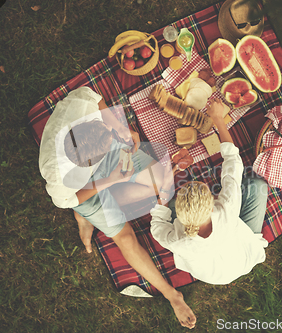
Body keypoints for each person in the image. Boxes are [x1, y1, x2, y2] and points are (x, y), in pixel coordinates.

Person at [38, 86, 196, 329]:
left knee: (159, 183)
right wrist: (109, 180)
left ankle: (102, 206)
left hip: (104, 156)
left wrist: (119, 129)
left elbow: (94, 95)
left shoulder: (83, 112)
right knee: (125, 237)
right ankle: (171, 294)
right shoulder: (57, 175)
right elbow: (67, 199)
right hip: (83, 190)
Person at [150, 99, 269, 285]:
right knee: (258, 185)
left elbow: (157, 222)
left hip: (214, 274)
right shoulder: (227, 209)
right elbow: (233, 163)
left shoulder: (176, 242)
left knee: (165, 204)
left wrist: (166, 184)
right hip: (242, 257)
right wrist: (218, 119)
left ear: (180, 214)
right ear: (213, 202)